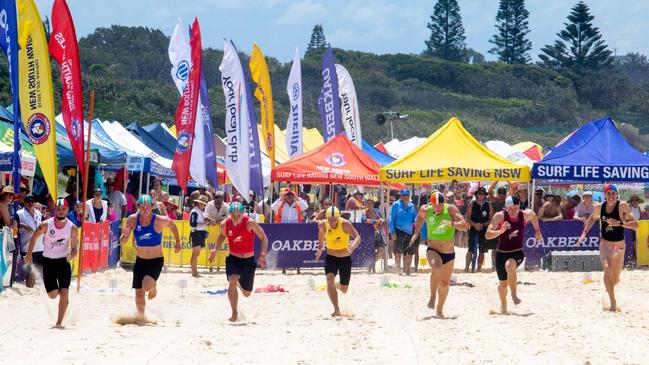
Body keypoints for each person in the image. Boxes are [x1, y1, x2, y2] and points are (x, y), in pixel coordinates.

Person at [119, 195, 181, 319]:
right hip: (140, 260)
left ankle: (153, 288)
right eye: (142, 207)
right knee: (138, 293)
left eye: (148, 207)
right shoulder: (132, 220)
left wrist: (178, 242)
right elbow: (122, 242)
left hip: (155, 260)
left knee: (147, 286)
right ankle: (141, 317)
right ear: (139, 207)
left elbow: (173, 225)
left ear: (152, 207)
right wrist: (125, 237)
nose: (145, 210)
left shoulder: (158, 220)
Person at [578, 184, 638, 312]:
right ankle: (612, 302)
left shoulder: (622, 206)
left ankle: (612, 283)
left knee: (614, 279)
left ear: (617, 195)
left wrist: (620, 223)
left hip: (619, 246)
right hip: (605, 244)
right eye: (608, 193)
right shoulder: (599, 207)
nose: (611, 196)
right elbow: (592, 219)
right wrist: (584, 233)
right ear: (605, 195)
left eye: (613, 193)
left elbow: (636, 224)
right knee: (607, 269)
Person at [409, 192, 468, 317]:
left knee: (445, 284)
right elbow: (419, 219)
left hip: (449, 252)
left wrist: (452, 224)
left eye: (440, 205)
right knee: (437, 267)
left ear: (444, 203)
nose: (438, 208)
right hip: (433, 249)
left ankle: (440, 309)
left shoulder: (451, 209)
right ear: (431, 204)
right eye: (435, 206)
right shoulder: (425, 210)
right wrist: (416, 233)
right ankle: (432, 296)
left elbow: (465, 226)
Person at [209, 202, 268, 322]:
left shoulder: (250, 223)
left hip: (248, 260)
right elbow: (221, 236)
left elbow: (263, 238)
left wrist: (262, 254)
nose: (236, 218)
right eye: (233, 215)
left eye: (238, 215)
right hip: (234, 258)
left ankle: (239, 286)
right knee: (232, 280)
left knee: (247, 293)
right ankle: (234, 313)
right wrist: (216, 248)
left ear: (242, 213)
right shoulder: (225, 224)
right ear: (230, 214)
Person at [24, 199, 78, 328]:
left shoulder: (73, 228)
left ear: (67, 210)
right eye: (58, 209)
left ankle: (59, 322)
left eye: (63, 209)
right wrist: (29, 254)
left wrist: (71, 254)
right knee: (53, 295)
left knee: (64, 292)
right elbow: (34, 237)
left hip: (63, 262)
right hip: (48, 262)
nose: (61, 211)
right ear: (55, 210)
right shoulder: (45, 225)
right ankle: (64, 300)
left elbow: (75, 248)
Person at [486, 196, 542, 314]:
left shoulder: (524, 214)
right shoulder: (500, 216)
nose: (513, 211)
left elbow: (534, 215)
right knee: (502, 285)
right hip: (501, 253)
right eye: (510, 209)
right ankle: (503, 306)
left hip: (517, 251)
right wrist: (500, 231)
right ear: (506, 208)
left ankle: (514, 295)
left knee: (509, 265)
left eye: (516, 208)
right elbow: (487, 235)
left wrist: (537, 231)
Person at [315, 207, 361, 317]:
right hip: (331, 257)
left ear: (338, 217)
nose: (332, 222)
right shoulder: (322, 224)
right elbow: (321, 234)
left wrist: (352, 247)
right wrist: (320, 248)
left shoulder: (345, 224)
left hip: (345, 258)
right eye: (329, 219)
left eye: (334, 219)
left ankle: (335, 285)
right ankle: (336, 309)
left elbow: (358, 237)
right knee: (329, 280)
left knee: (344, 289)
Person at [389, 189, 418, 275]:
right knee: (398, 252)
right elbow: (391, 219)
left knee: (409, 252)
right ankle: (398, 270)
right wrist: (392, 232)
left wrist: (417, 223)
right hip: (398, 231)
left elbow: (415, 218)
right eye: (403, 195)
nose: (405, 197)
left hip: (409, 231)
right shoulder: (395, 205)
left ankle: (407, 271)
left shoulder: (412, 206)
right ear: (400, 196)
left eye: (407, 195)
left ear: (409, 196)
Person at [465, 187, 494, 273]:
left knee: (482, 250)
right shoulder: (472, 204)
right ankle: (466, 267)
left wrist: (483, 225)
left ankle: (479, 268)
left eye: (483, 194)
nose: (481, 195)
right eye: (480, 193)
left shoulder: (489, 205)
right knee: (470, 249)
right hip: (473, 228)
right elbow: (467, 218)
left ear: (485, 195)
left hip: (484, 229)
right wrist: (475, 224)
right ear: (477, 194)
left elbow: (491, 219)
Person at [17, 194, 43, 288]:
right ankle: (29, 288)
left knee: (34, 272)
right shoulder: (19, 213)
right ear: (24, 202)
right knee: (31, 270)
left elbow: (43, 226)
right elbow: (12, 225)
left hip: (39, 246)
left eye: (33, 201)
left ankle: (30, 289)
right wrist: (23, 226)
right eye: (28, 201)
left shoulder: (39, 213)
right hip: (27, 246)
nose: (30, 203)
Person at [361, 195, 385, 272]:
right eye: (368, 203)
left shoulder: (377, 211)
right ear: (365, 204)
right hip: (368, 234)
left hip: (377, 233)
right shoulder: (364, 212)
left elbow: (381, 220)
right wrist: (375, 221)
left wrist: (381, 221)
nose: (369, 205)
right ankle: (371, 266)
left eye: (371, 203)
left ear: (373, 204)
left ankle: (372, 263)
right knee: (370, 251)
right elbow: (364, 220)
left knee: (380, 250)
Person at [189, 195, 209, 277]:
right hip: (196, 233)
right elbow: (193, 224)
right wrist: (204, 223)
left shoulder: (198, 211)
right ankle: (194, 272)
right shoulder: (195, 211)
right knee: (195, 253)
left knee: (196, 253)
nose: (203, 205)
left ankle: (195, 271)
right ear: (198, 203)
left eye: (204, 204)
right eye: (202, 204)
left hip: (198, 233)